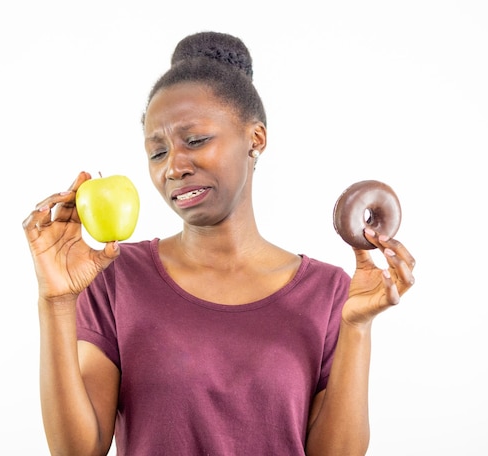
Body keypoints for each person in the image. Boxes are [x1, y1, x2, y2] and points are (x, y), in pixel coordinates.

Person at [22, 31, 416, 456]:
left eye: (195, 140)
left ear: (255, 139)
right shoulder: (116, 275)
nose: (173, 166)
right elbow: (79, 451)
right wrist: (56, 303)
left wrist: (356, 327)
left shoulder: (330, 292)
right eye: (157, 153)